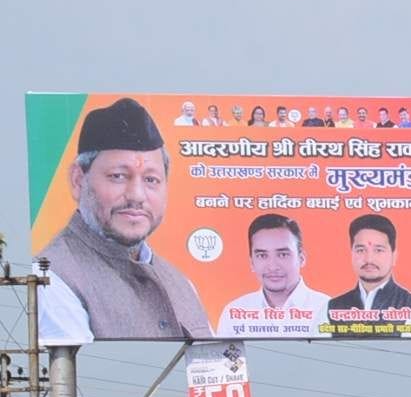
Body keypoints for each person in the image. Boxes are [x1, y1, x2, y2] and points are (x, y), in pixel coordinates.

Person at [37, 98, 213, 346]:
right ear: (78, 180)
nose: (137, 196)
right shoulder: (51, 278)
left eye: (151, 180)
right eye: (118, 176)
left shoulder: (182, 284)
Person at [217, 213, 327, 337]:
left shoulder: (327, 310)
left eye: (283, 254)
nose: (273, 266)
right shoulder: (234, 312)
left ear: (301, 258)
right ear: (252, 262)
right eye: (262, 256)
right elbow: (224, 356)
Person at [326, 214, 411, 336]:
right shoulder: (332, 307)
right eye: (361, 250)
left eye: (378, 250)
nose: (369, 259)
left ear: (394, 256)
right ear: (351, 254)